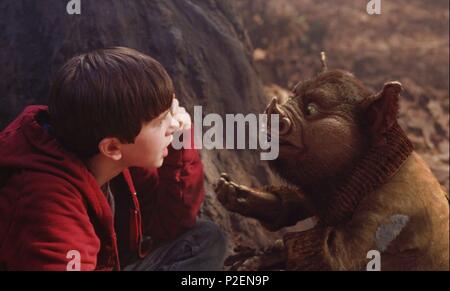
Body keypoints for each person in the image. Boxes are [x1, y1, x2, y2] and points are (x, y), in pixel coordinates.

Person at [0, 47, 227, 271]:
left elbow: (171, 223)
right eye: (160, 121)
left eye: (171, 110)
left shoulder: (113, 154)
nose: (176, 124)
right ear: (112, 146)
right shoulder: (49, 205)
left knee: (204, 239)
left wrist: (180, 143)